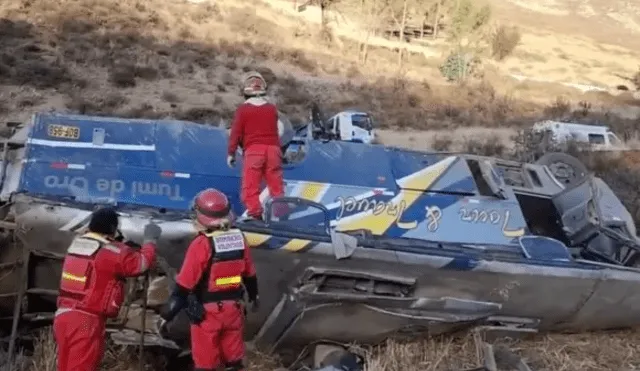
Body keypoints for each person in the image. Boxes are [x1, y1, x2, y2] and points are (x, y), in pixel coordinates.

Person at [159, 188, 259, 371]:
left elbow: (185, 284)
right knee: (234, 360)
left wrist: (167, 314)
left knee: (206, 363)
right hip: (234, 310)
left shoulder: (202, 244)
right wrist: (254, 296)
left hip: (207, 314)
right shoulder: (239, 238)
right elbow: (250, 273)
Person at [53, 207, 162, 371]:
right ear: (113, 229)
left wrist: (122, 245)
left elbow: (101, 261)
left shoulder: (77, 245)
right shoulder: (112, 252)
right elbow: (141, 264)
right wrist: (150, 241)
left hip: (64, 316)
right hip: (86, 321)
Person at [227, 71, 284, 220]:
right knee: (276, 186)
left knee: (250, 186)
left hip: (254, 151)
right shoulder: (272, 109)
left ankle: (255, 214)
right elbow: (278, 130)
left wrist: (231, 153)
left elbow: (236, 133)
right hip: (273, 150)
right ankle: (281, 215)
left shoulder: (243, 110)